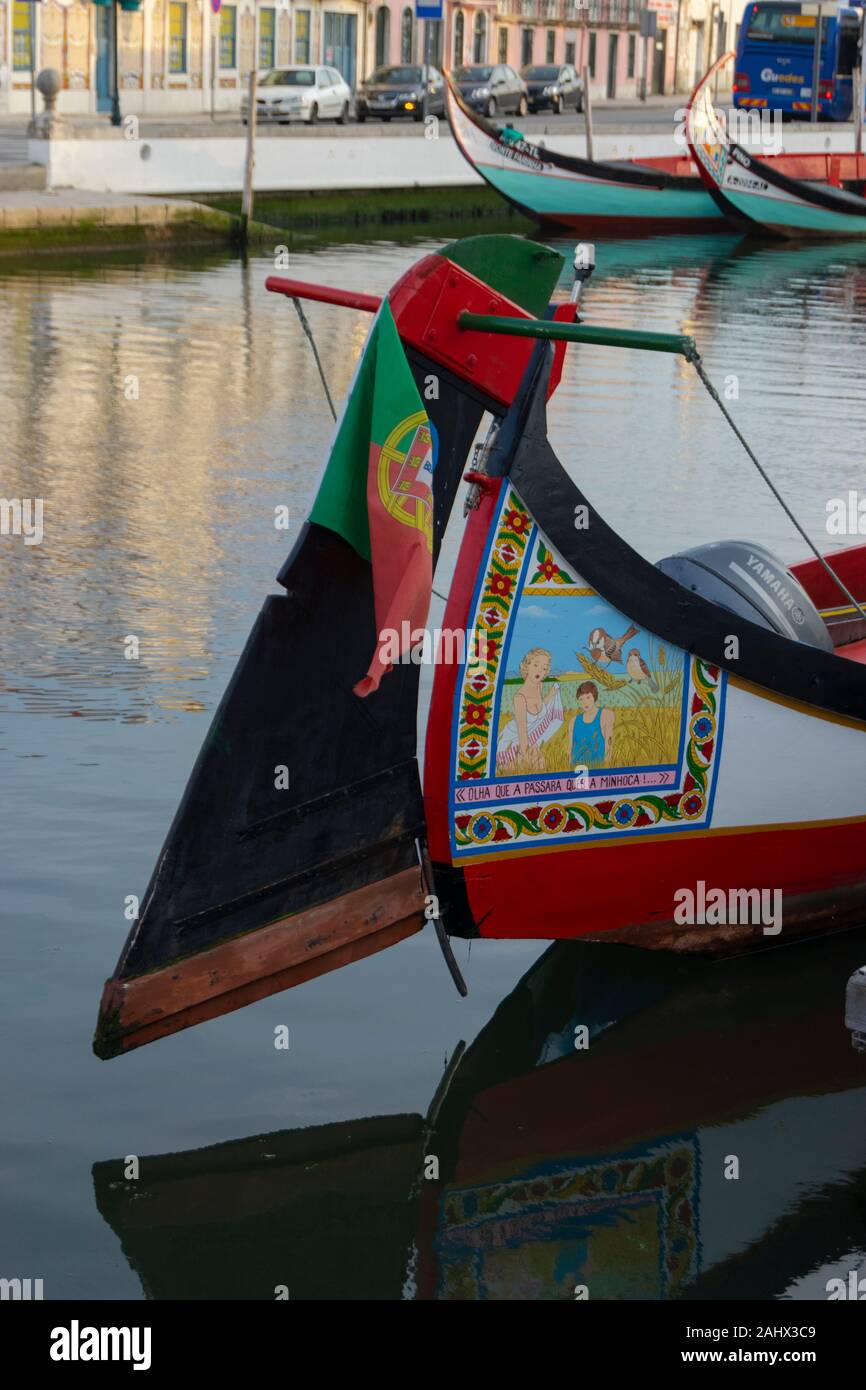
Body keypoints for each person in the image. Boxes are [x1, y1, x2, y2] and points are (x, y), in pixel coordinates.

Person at [496, 648, 562, 774]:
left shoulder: (540, 687)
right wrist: (526, 757)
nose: (540, 671)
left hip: (531, 739)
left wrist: (551, 695)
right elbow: (522, 732)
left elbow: (541, 709)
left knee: (542, 766)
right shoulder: (519, 698)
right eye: (536, 665)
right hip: (511, 745)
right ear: (527, 666)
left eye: (544, 668)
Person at [567, 681, 614, 769]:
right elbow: (570, 749)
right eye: (581, 699)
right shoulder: (573, 721)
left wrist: (606, 767)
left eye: (588, 697)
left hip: (598, 767)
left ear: (594, 697)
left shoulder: (606, 715)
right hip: (577, 768)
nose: (585, 702)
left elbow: (609, 745)